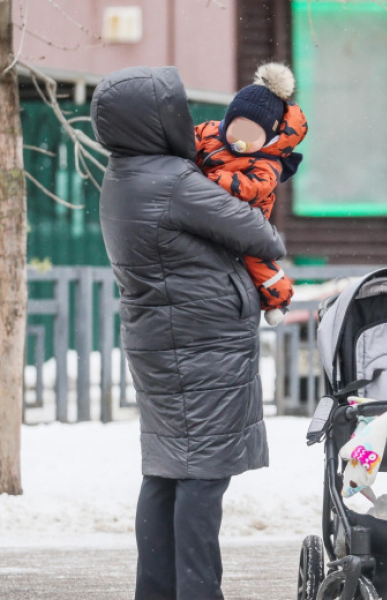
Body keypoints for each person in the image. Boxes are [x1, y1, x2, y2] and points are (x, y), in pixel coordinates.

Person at [91, 66, 286, 600]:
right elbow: (262, 237)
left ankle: (156, 591)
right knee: (202, 476)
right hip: (201, 346)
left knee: (166, 473)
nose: (187, 120)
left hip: (162, 341)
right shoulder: (174, 181)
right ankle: (199, 593)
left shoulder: (123, 175)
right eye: (176, 111)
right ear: (154, 120)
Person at [195, 62, 308, 326]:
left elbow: (254, 189)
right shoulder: (210, 132)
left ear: (266, 139)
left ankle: (278, 300)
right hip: (211, 204)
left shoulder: (266, 163)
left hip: (248, 214)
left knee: (256, 258)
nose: (240, 139)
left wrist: (218, 180)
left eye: (251, 135)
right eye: (238, 129)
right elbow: (190, 140)